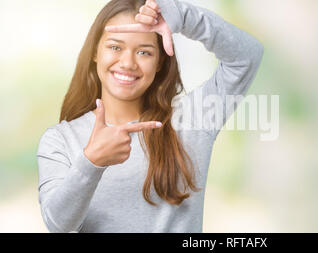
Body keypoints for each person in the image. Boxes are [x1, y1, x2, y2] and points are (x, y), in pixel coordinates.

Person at [36, 0, 264, 233]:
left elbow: (247, 56)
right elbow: (58, 225)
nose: (127, 63)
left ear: (159, 63)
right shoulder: (60, 140)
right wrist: (91, 162)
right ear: (94, 52)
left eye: (144, 52)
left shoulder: (193, 121)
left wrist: (184, 18)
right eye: (115, 47)